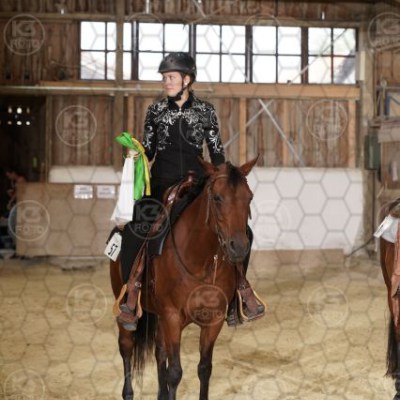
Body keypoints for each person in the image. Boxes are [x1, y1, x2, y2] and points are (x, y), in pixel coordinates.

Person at [116, 52, 264, 330]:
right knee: (136, 229)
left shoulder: (206, 111)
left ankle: (238, 292)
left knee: (243, 232)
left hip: (198, 185)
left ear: (187, 79)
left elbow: (216, 153)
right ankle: (132, 293)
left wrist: (225, 176)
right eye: (164, 78)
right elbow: (149, 150)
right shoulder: (155, 111)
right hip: (161, 183)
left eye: (171, 77)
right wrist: (136, 153)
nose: (166, 82)